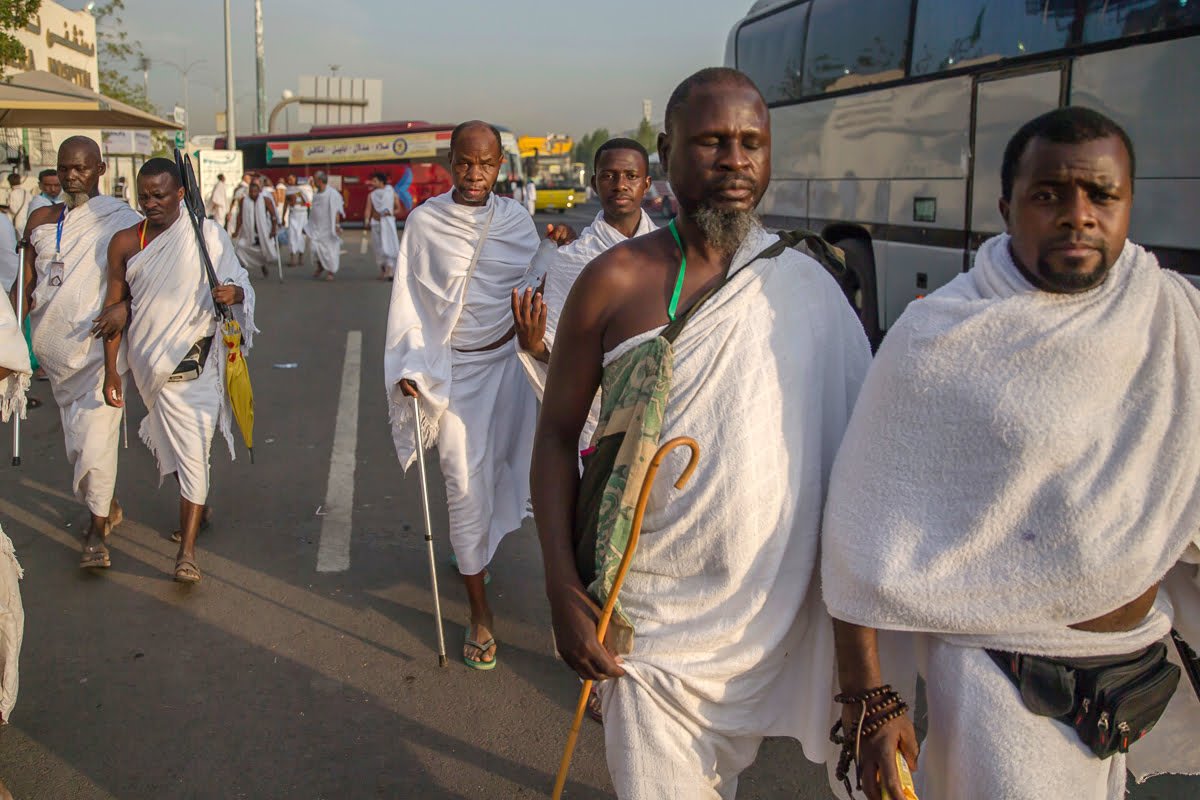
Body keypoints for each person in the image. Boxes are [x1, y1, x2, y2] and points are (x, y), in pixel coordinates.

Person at [821, 107, 1200, 800]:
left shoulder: (1168, 312)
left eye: (1102, 196)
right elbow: (857, 530)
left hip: (1125, 676)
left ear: (1129, 204)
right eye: (1049, 195)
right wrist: (868, 695)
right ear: (1007, 208)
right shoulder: (941, 338)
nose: (1078, 215)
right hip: (1000, 679)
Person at [532, 68, 870, 798]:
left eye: (752, 143)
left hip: (769, 620)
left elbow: (862, 472)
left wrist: (866, 672)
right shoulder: (612, 282)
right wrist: (561, 585)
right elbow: (558, 437)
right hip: (649, 626)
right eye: (713, 142)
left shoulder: (808, 288)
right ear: (667, 150)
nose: (735, 161)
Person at [385, 120, 540, 671]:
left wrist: (559, 247)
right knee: (461, 480)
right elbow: (409, 301)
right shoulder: (425, 223)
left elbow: (537, 279)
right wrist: (409, 364)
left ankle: (474, 550)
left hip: (509, 370)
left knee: (502, 470)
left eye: (487, 164)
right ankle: (480, 614)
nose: (475, 175)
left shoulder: (519, 221)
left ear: (501, 165)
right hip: (453, 374)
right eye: (465, 163)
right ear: (450, 162)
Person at [102, 158, 257, 584]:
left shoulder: (206, 235)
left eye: (160, 195)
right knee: (178, 452)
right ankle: (199, 508)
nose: (150, 203)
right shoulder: (125, 243)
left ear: (181, 195)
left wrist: (235, 292)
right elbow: (113, 309)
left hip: (198, 366)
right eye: (144, 195)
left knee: (192, 453)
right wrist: (111, 373)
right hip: (150, 368)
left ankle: (186, 553)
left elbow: (240, 281)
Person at [16, 136, 142, 569]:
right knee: (80, 446)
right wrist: (10, 336)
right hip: (54, 359)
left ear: (101, 170)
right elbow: (25, 286)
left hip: (99, 357)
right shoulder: (41, 219)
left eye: (82, 168)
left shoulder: (123, 222)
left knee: (94, 442)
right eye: (65, 168)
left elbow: (139, 284)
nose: (72, 176)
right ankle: (105, 503)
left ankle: (95, 532)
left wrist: (125, 306)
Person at [513, 137, 656, 449]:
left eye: (631, 176)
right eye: (609, 176)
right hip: (593, 416)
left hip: (663, 410)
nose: (620, 185)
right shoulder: (570, 259)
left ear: (646, 184)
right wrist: (534, 346)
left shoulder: (671, 254)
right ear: (594, 183)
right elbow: (554, 349)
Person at [233, 179, 279, 278]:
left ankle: (263, 266)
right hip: (248, 233)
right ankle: (242, 270)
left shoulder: (266, 200)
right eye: (251, 192)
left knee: (263, 251)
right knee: (240, 249)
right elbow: (240, 216)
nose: (253, 194)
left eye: (255, 192)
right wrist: (236, 231)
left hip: (263, 232)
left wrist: (274, 229)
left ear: (259, 191)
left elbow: (273, 215)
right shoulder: (243, 201)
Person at [308, 171, 344, 281]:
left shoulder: (332, 194)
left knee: (329, 250)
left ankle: (330, 271)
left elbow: (336, 210)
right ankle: (320, 266)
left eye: (314, 179)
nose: (313, 182)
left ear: (319, 181)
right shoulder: (316, 194)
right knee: (314, 248)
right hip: (316, 227)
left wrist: (337, 225)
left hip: (328, 227)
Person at [365, 171, 400, 280]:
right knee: (378, 248)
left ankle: (390, 269)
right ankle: (383, 270)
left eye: (374, 181)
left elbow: (398, 209)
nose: (372, 183)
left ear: (381, 182)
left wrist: (391, 213)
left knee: (388, 246)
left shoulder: (391, 192)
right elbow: (368, 209)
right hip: (376, 224)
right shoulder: (371, 195)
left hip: (388, 223)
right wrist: (366, 220)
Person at [285, 183, 309, 267]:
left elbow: (308, 204)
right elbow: (287, 205)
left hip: (302, 216)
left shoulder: (302, 192)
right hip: (293, 215)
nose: (290, 181)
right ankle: (292, 259)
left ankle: (300, 257)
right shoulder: (288, 192)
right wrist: (282, 217)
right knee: (292, 235)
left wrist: (300, 195)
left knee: (302, 236)